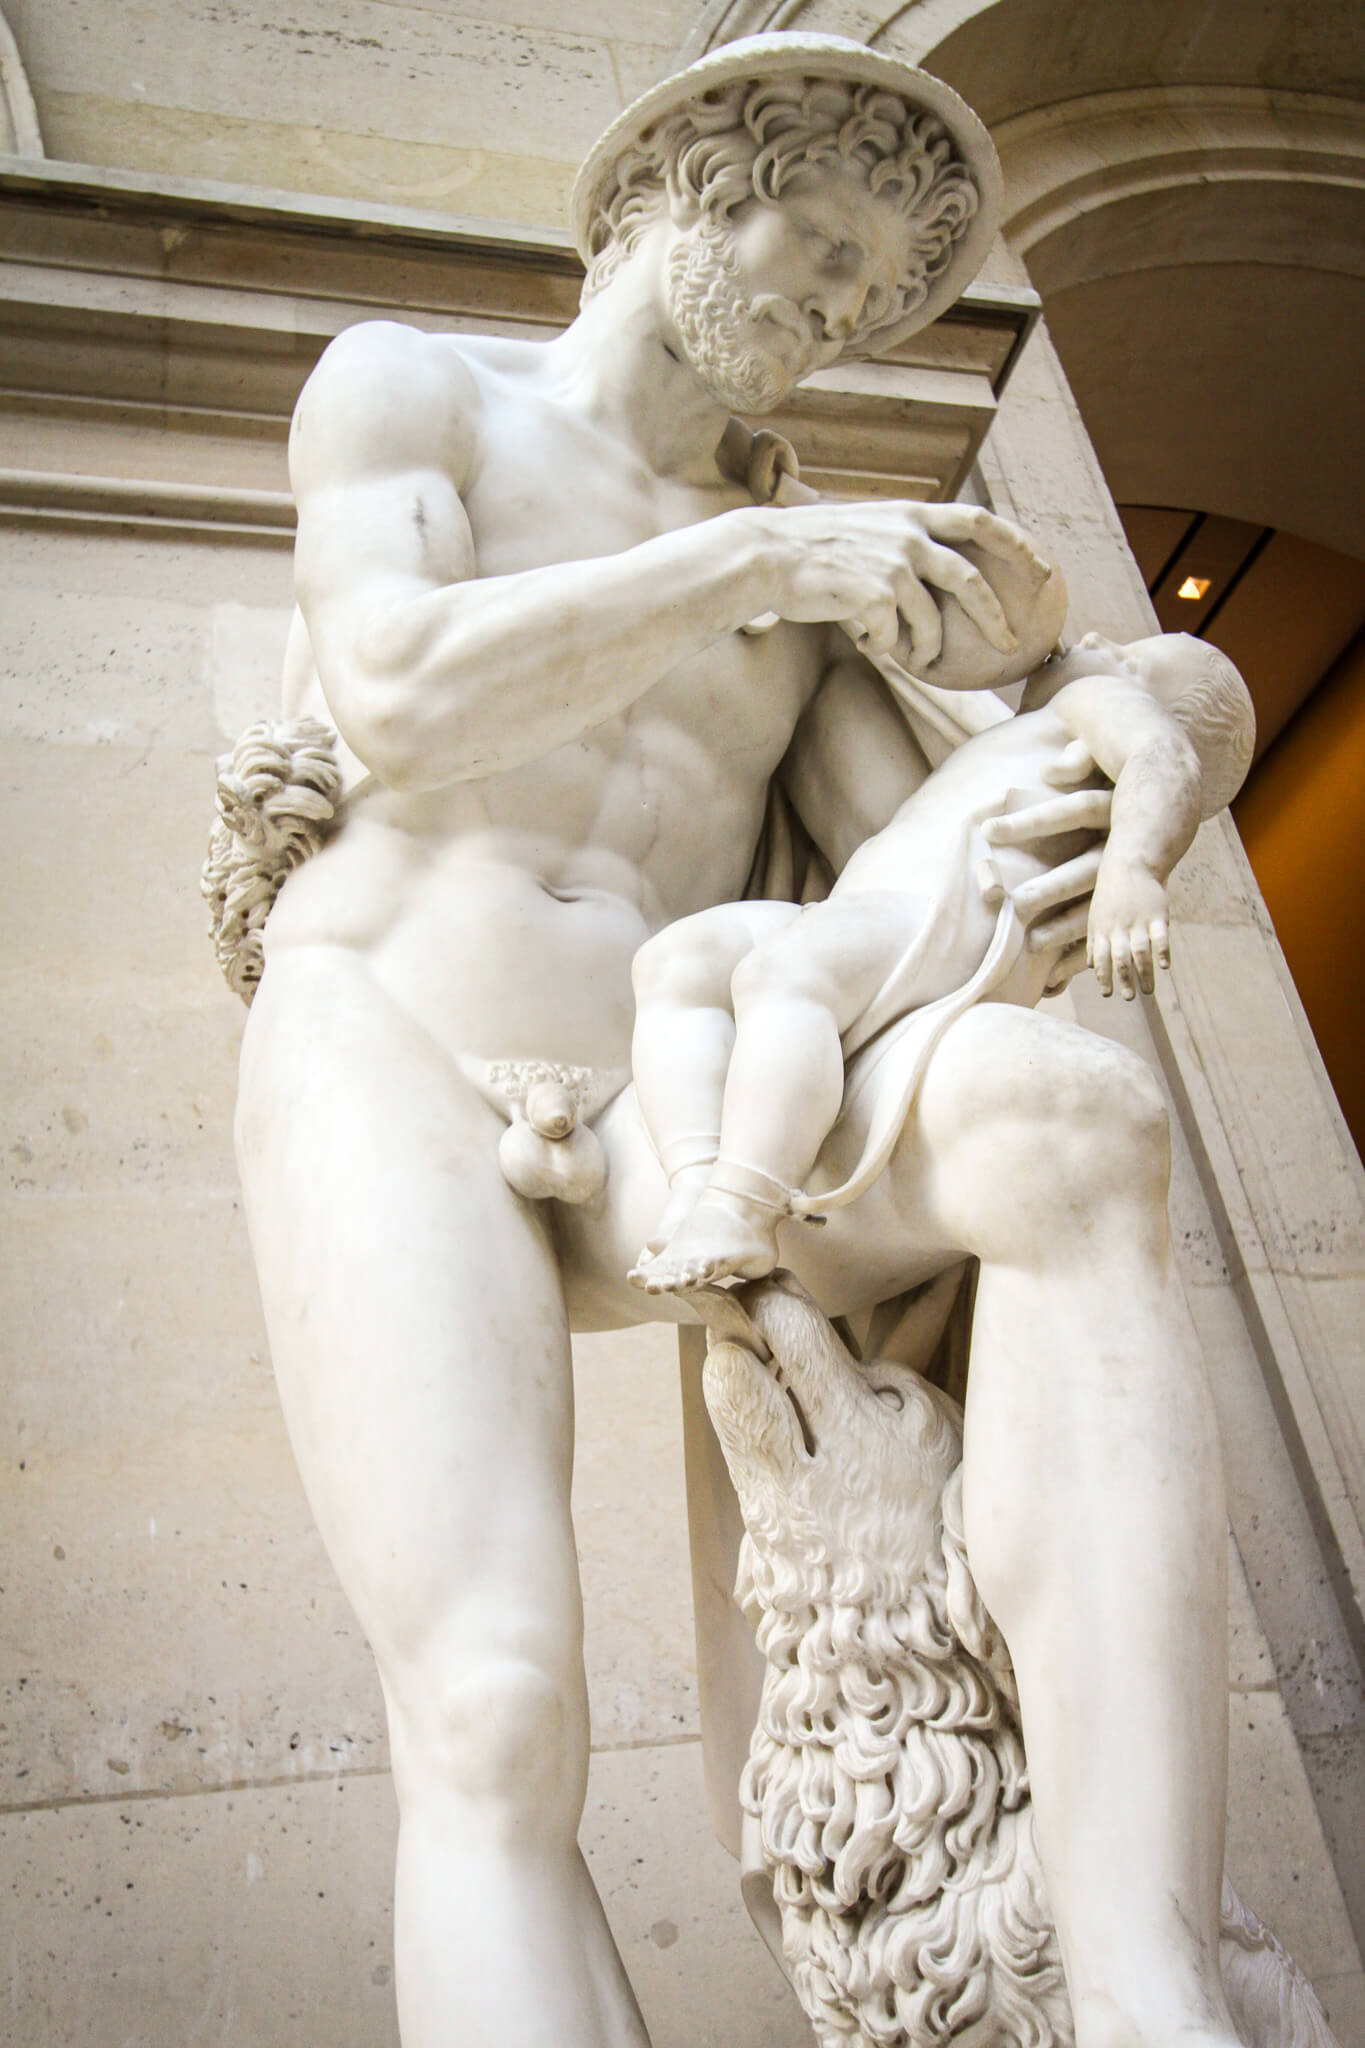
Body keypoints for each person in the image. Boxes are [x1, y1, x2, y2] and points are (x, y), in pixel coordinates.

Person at [231, 33, 1246, 2048]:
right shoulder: (415, 393)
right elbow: (400, 690)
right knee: (497, 1706)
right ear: (681, 190)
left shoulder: (813, 588)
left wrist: (1118, 736)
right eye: (819, 239)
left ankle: (1144, 1983)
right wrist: (767, 556)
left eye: (875, 290)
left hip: (676, 1107)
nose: (834, 307)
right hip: (395, 1046)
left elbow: (909, 871)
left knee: (1063, 1116)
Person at [629, 629, 1255, 1290]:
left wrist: (1135, 868)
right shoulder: (1023, 732)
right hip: (868, 912)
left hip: (946, 914)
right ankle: (693, 1182)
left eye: (1129, 655)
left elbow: (1161, 758)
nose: (1098, 639)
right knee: (677, 960)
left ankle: (742, 1207)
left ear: (1136, 691)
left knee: (782, 974)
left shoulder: (1092, 704)